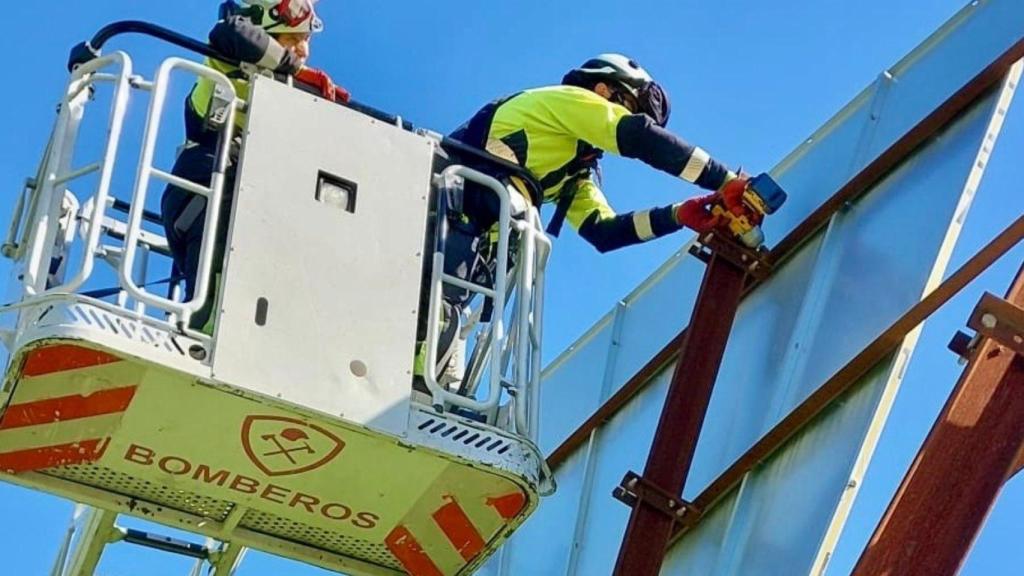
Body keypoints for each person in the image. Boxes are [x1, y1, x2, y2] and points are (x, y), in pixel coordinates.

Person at [417, 53, 752, 391]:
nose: (627, 117)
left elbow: (604, 231)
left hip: (463, 249)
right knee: (430, 318)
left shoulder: (573, 169)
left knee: (442, 339)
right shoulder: (570, 102)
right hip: (436, 222)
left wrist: (679, 214)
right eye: (628, 107)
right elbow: (638, 137)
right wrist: (725, 180)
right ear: (603, 90)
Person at [160, 0, 346, 333]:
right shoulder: (230, 54)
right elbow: (229, 31)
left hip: (238, 186)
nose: (304, 49)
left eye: (306, 40)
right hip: (209, 183)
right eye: (293, 38)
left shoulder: (281, 91)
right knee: (211, 304)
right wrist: (291, 67)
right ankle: (198, 333)